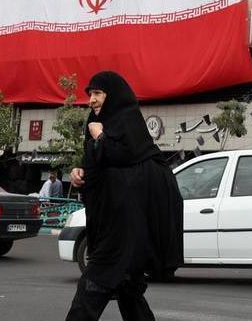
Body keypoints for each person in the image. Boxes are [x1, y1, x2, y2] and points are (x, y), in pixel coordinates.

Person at [65, 71, 183, 321]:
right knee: (128, 290)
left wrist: (100, 136)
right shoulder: (98, 124)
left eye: (97, 93)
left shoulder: (128, 124)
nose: (91, 100)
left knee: (92, 287)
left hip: (123, 230)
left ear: (113, 95)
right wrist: (79, 173)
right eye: (90, 94)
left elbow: (124, 159)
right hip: (110, 223)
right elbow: (98, 166)